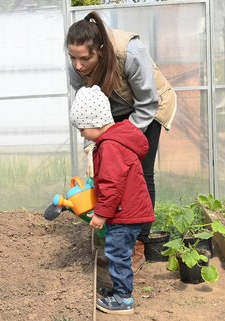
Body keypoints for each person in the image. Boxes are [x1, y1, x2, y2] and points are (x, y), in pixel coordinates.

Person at [65, 11, 176, 274]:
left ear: (101, 50)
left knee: (139, 170)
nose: (78, 65)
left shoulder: (130, 52)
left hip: (148, 107)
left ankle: (138, 241)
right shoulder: (77, 68)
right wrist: (93, 146)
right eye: (73, 57)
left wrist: (121, 139)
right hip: (111, 113)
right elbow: (87, 108)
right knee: (108, 170)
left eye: (85, 58)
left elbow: (147, 103)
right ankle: (118, 234)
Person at [69, 85, 155, 315]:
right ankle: (119, 290)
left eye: (82, 129)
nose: (81, 135)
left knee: (117, 253)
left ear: (95, 122)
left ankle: (124, 299)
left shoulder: (110, 147)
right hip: (128, 210)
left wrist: (101, 214)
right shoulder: (116, 140)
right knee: (119, 252)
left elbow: (111, 184)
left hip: (125, 213)